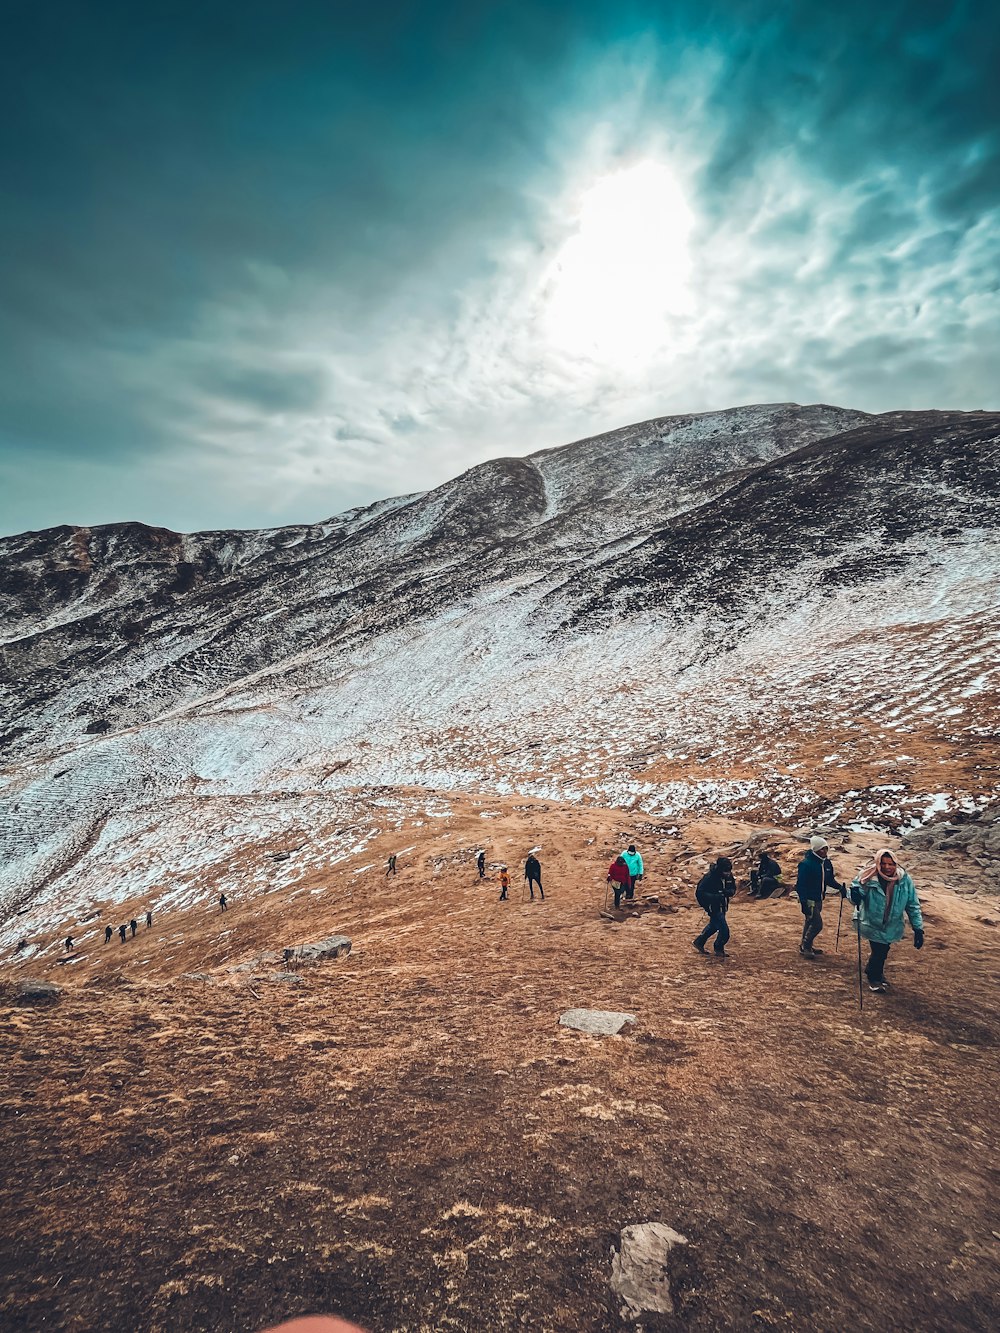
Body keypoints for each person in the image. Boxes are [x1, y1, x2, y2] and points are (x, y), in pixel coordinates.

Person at [851, 849, 924, 992]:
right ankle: (874, 979)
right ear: (878, 863)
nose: (887, 867)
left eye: (891, 864)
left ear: (896, 864)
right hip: (871, 922)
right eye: (883, 863)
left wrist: (918, 928)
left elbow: (912, 904)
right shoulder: (868, 877)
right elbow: (856, 893)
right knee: (879, 951)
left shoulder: (904, 880)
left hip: (892, 924)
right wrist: (854, 895)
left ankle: (874, 971)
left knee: (883, 950)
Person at [795, 836, 845, 958]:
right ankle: (806, 947)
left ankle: (805, 945)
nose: (824, 852)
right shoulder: (806, 864)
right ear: (815, 849)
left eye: (826, 849)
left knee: (809, 922)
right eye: (821, 849)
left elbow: (829, 879)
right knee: (817, 924)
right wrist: (803, 902)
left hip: (819, 898)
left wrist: (840, 888)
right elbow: (801, 885)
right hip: (809, 900)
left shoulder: (826, 863)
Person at [693, 857, 737, 956]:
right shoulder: (709, 878)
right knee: (724, 931)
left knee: (713, 926)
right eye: (725, 871)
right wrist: (714, 897)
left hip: (723, 906)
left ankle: (699, 942)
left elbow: (733, 888)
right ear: (720, 869)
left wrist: (729, 892)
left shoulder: (729, 876)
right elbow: (700, 893)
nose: (728, 873)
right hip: (713, 907)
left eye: (729, 871)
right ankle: (718, 948)